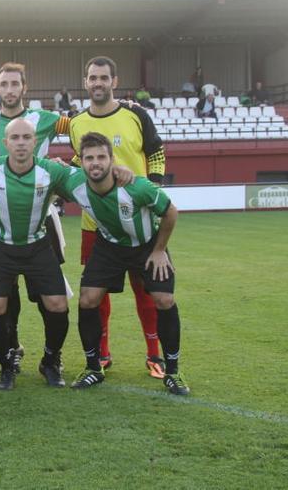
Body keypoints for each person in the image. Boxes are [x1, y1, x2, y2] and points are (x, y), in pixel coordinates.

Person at [0, 118, 76, 390]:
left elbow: (85, 179)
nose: (21, 142)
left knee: (57, 304)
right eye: (15, 138)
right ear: (5, 143)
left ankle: (50, 361)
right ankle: (6, 366)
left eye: (26, 137)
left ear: (35, 142)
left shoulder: (50, 171)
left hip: (38, 246)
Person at [63, 132, 189, 395]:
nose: (95, 163)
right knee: (87, 299)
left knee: (164, 300)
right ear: (81, 162)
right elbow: (49, 168)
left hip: (146, 246)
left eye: (101, 157)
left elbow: (170, 212)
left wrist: (159, 251)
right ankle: (93, 367)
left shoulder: (136, 187)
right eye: (89, 158)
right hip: (109, 247)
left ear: (111, 159)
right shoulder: (74, 183)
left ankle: (173, 372)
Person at [69, 55, 168, 377]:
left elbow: (156, 151)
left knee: (148, 290)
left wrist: (153, 191)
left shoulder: (136, 114)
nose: (98, 83)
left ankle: (155, 354)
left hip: (139, 222)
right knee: (96, 292)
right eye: (92, 78)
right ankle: (102, 352)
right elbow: (75, 159)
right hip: (95, 223)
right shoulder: (76, 122)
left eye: (103, 77)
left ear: (114, 81)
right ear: (85, 82)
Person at [0, 62, 71, 373]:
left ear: (24, 87)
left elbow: (82, 127)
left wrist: (71, 160)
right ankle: (11, 347)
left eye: (15, 84)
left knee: (47, 294)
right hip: (1, 218)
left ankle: (52, 354)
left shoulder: (47, 119)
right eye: (4, 84)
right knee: (4, 294)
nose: (10, 90)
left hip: (42, 217)